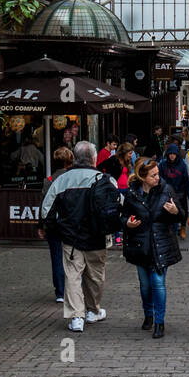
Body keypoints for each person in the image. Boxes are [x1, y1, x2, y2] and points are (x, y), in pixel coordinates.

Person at [40, 140, 120, 333]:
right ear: (94, 159)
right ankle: (93, 310)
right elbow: (118, 205)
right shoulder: (106, 180)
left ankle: (77, 317)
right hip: (97, 237)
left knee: (73, 277)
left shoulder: (61, 180)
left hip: (71, 238)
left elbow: (46, 210)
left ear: (75, 158)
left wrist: (54, 228)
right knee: (95, 276)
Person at [122, 157, 182, 338]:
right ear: (142, 177)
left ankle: (159, 322)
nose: (158, 177)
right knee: (145, 285)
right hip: (140, 245)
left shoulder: (166, 190)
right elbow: (123, 216)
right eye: (153, 175)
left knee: (158, 283)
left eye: (158, 174)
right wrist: (127, 223)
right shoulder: (132, 194)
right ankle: (148, 314)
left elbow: (181, 214)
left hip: (160, 243)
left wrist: (175, 212)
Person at [38, 146, 74, 301]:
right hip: (71, 223)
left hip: (53, 224)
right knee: (73, 257)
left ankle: (60, 291)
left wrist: (41, 226)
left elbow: (43, 205)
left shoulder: (49, 181)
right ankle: (72, 288)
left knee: (57, 256)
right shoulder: (73, 178)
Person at [158, 142, 189, 239]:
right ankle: (171, 230)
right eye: (170, 154)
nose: (172, 156)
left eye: (174, 154)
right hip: (167, 192)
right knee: (169, 212)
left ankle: (183, 227)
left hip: (180, 192)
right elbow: (159, 179)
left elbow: (187, 181)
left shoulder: (182, 164)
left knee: (183, 212)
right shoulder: (163, 164)